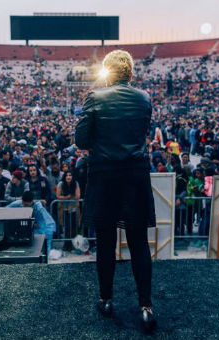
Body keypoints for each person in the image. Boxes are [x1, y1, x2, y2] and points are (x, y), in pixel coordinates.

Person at [75, 49, 157, 332]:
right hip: (135, 176)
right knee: (138, 243)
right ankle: (146, 306)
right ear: (131, 73)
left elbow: (81, 140)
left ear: (108, 72)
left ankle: (106, 299)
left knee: (106, 241)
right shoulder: (145, 99)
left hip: (105, 176)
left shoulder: (95, 98)